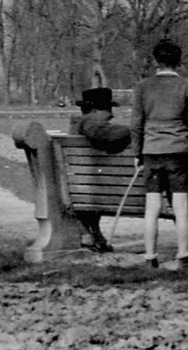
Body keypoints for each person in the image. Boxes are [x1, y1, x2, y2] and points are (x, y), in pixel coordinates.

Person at [129, 39, 188, 270]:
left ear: (155, 61)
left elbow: (136, 124)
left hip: (151, 151)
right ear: (179, 61)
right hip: (178, 152)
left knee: (152, 208)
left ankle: (150, 256)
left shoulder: (143, 87)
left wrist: (137, 152)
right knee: (181, 207)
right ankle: (183, 255)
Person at [67, 87, 132, 252]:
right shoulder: (89, 124)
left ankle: (91, 233)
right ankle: (90, 233)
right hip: (107, 191)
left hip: (85, 189)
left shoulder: (78, 126)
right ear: (95, 110)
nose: (112, 114)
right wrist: (134, 131)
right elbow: (107, 134)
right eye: (108, 109)